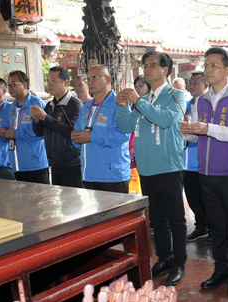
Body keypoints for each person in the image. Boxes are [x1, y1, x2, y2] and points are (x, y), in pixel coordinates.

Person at [180, 47, 228, 295]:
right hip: (205, 174)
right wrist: (187, 130)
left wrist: (207, 128)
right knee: (217, 226)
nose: (208, 70)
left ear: (227, 69)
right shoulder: (201, 100)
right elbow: (194, 136)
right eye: (206, 65)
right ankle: (221, 269)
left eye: (213, 65)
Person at [116, 52, 187, 286]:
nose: (147, 69)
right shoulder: (143, 99)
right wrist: (122, 106)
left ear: (166, 70)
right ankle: (165, 259)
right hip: (147, 169)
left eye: (153, 65)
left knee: (176, 219)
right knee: (157, 219)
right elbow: (126, 126)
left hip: (168, 166)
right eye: (145, 65)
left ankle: (179, 263)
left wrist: (138, 101)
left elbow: (166, 120)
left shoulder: (176, 95)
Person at [71, 65, 131, 193]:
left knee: (116, 213)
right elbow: (78, 130)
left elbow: (123, 135)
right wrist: (76, 137)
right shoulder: (86, 107)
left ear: (108, 79)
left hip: (112, 176)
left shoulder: (119, 104)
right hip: (89, 174)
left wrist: (91, 136)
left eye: (94, 78)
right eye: (88, 79)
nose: (90, 82)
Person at [32, 66, 83, 188]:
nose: (49, 84)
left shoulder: (75, 105)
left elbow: (71, 131)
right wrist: (36, 120)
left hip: (71, 163)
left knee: (74, 202)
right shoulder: (49, 105)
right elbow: (39, 133)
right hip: (54, 163)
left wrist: (45, 118)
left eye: (53, 80)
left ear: (65, 82)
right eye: (48, 80)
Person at [0, 70, 49, 184]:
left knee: (40, 200)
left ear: (25, 85)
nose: (10, 87)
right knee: (22, 200)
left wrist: (16, 134)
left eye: (13, 84)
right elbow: (5, 129)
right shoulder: (10, 108)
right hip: (15, 164)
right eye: (8, 84)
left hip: (35, 164)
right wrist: (2, 132)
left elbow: (42, 132)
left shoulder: (36, 104)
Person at [183, 71, 211, 244]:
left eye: (195, 82)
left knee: (207, 198)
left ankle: (213, 228)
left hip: (203, 160)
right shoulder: (186, 104)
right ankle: (200, 226)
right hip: (187, 161)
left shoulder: (209, 105)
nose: (191, 85)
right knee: (192, 196)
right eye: (190, 83)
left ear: (206, 86)